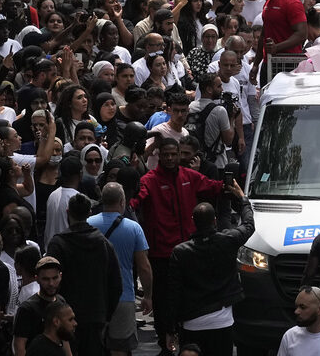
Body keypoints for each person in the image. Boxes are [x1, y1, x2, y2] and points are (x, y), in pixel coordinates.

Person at [130, 139, 223, 354]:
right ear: (159, 156)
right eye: (166, 154)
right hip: (161, 255)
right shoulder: (149, 180)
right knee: (163, 303)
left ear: (180, 154)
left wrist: (234, 185)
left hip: (190, 252)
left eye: (174, 154)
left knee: (189, 300)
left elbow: (213, 187)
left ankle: (189, 345)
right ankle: (165, 345)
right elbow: (137, 199)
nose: (170, 158)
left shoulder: (189, 176)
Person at [168, 179, 255, 355]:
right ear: (215, 220)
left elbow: (173, 292)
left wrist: (170, 328)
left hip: (191, 322)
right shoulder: (228, 241)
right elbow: (248, 225)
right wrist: (242, 198)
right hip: (222, 321)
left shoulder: (180, 252)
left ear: (193, 221)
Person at [44, 194, 122, 356]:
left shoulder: (58, 243)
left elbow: (49, 282)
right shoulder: (103, 243)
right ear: (89, 213)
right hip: (96, 317)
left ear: (68, 212)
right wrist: (105, 314)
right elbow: (116, 284)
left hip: (64, 317)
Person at [87, 182, 152, 356]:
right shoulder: (133, 228)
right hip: (123, 297)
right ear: (122, 201)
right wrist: (147, 295)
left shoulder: (87, 224)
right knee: (120, 349)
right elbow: (144, 267)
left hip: (93, 298)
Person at [13, 257, 68, 355]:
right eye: (46, 279)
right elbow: (19, 346)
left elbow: (64, 339)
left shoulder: (61, 302)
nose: (51, 283)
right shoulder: (27, 309)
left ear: (60, 276)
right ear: (36, 279)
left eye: (54, 278)